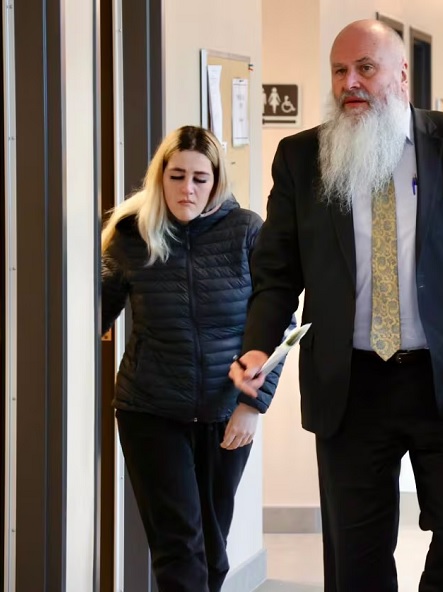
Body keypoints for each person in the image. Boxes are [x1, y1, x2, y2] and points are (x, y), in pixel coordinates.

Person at [230, 19, 443, 592]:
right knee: (355, 560)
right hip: (350, 385)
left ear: (402, 74)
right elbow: (277, 274)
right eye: (339, 71)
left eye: (365, 68)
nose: (349, 83)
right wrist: (259, 347)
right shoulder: (302, 158)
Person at [102, 125, 289, 592]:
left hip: (225, 415)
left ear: (216, 181)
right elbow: (96, 310)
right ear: (160, 177)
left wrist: (252, 405)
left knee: (212, 553)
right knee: (179, 550)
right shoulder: (133, 235)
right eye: (177, 176)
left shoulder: (246, 230)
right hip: (150, 410)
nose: (187, 189)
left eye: (200, 179)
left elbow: (278, 323)